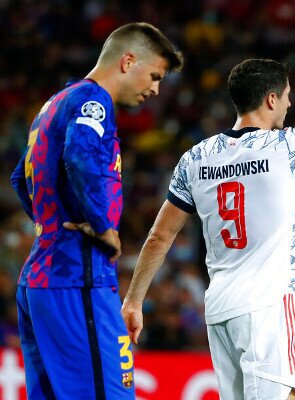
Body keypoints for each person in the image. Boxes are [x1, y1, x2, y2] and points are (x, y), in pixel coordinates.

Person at [120, 30, 295, 400]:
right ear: (271, 98)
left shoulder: (196, 157)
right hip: (269, 306)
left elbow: (158, 238)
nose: (290, 107)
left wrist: (133, 300)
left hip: (220, 310)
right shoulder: (289, 145)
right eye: (288, 98)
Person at [10, 22, 183, 399]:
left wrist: (51, 225)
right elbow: (79, 152)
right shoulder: (94, 101)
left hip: (41, 279)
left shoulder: (55, 103)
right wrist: (103, 225)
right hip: (78, 279)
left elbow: (19, 178)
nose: (155, 88)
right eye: (154, 75)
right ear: (128, 61)